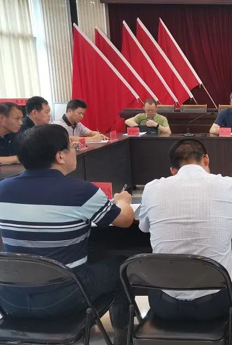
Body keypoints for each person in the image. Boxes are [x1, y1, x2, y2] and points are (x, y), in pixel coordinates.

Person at [0, 124, 135, 344]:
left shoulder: (3, 189)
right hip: (63, 298)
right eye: (72, 146)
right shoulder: (82, 192)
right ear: (60, 156)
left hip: (9, 299)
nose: (75, 150)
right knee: (121, 265)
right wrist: (123, 201)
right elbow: (125, 220)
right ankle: (123, 335)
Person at [139, 138, 232, 345]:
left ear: (173, 170)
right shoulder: (228, 185)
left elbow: (143, 227)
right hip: (215, 304)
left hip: (163, 304)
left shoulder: (151, 188)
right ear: (206, 159)